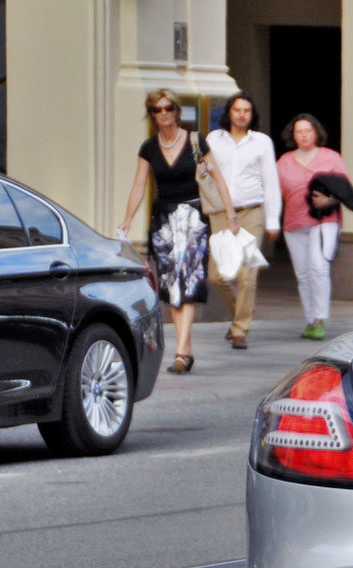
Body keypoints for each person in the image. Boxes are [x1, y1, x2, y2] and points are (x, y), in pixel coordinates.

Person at [119, 88, 230, 375]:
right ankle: (186, 350)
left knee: (188, 283)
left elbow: (218, 178)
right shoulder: (149, 148)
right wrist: (127, 219)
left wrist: (230, 213)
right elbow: (138, 185)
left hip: (193, 217)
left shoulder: (195, 140)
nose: (164, 113)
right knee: (172, 286)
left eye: (169, 108)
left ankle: (181, 351)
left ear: (177, 111)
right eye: (158, 109)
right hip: (163, 220)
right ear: (152, 114)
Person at [206, 93, 280, 350]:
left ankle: (240, 328)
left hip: (251, 212)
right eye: (237, 110)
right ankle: (241, 312)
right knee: (216, 276)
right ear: (229, 112)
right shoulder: (213, 140)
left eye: (246, 110)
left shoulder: (261, 142)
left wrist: (272, 219)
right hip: (220, 214)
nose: (241, 114)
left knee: (247, 276)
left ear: (252, 115)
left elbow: (270, 180)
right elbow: (204, 175)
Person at [275, 114, 351, 341]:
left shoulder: (331, 158)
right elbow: (273, 193)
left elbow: (346, 190)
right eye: (299, 131)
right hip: (293, 223)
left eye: (308, 130)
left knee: (319, 268)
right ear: (293, 135)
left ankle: (320, 319)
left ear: (316, 132)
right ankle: (310, 319)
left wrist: (328, 201)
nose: (304, 135)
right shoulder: (284, 162)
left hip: (324, 221)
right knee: (303, 273)